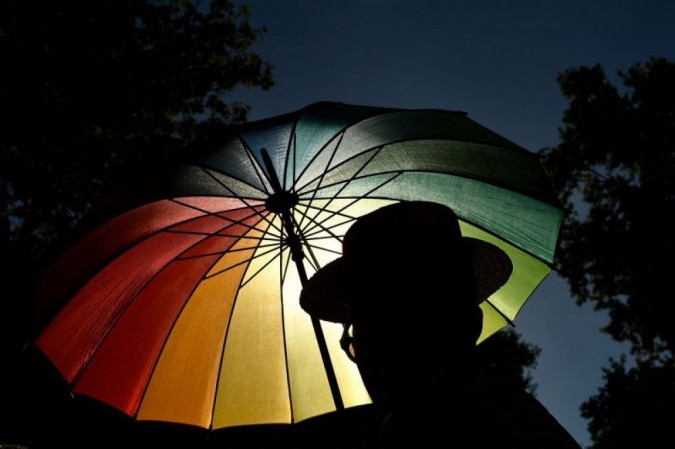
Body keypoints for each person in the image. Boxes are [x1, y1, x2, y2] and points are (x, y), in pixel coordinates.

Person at [300, 200, 582, 448]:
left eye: (394, 328)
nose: (372, 363)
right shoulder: (516, 415)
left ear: (467, 324)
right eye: (360, 343)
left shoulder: (434, 427)